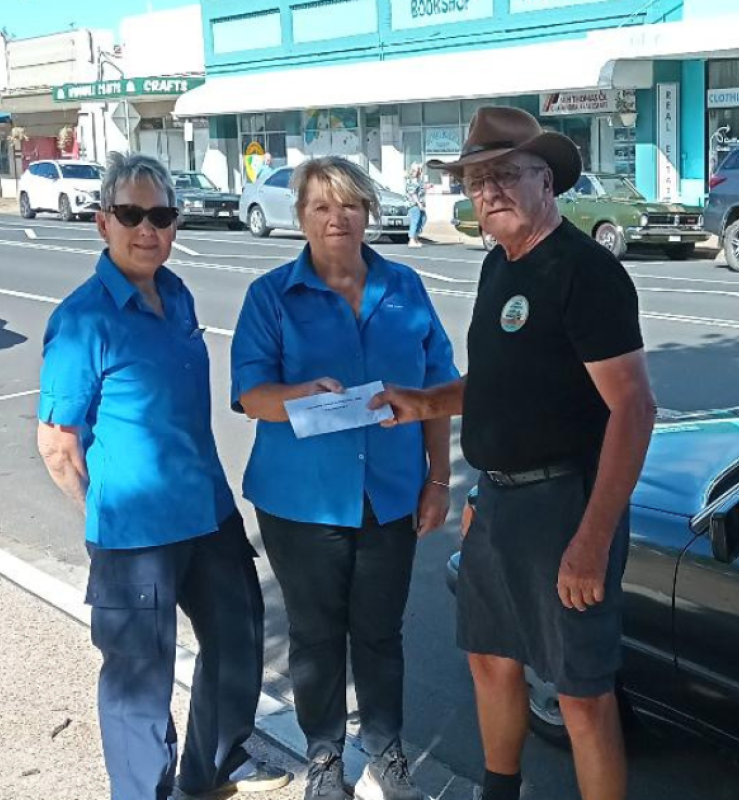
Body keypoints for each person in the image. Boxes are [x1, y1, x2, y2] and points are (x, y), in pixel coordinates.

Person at [370, 107, 656, 800]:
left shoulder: (583, 273)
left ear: (546, 182)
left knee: (581, 693)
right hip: (500, 502)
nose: (488, 190)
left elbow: (633, 408)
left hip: (567, 506)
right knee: (491, 661)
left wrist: (590, 541)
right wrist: (425, 404)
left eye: (506, 174)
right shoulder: (501, 265)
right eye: (476, 179)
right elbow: (500, 384)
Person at [35, 152, 289, 800]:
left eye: (162, 215)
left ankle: (213, 766)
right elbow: (57, 444)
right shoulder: (81, 320)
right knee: (138, 681)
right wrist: (104, 513)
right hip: (135, 532)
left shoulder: (175, 292)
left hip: (207, 509)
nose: (147, 229)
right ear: (103, 223)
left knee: (238, 637)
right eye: (131, 214)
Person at [231, 156, 459, 800]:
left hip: (389, 495)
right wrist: (299, 393)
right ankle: (325, 757)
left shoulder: (406, 288)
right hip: (300, 502)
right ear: (300, 217)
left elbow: (438, 390)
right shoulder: (270, 295)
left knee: (381, 633)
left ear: (369, 213)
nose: (337, 218)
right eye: (321, 207)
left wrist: (438, 480)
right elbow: (249, 394)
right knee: (315, 635)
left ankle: (386, 751)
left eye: (350, 205)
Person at [405, 163, 428, 248]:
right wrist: (418, 204)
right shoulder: (412, 180)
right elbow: (413, 194)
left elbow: (419, 191)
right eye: (419, 170)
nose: (420, 172)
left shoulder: (418, 180)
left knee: (423, 218)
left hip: (419, 204)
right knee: (415, 220)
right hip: (413, 204)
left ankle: (415, 238)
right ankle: (411, 240)